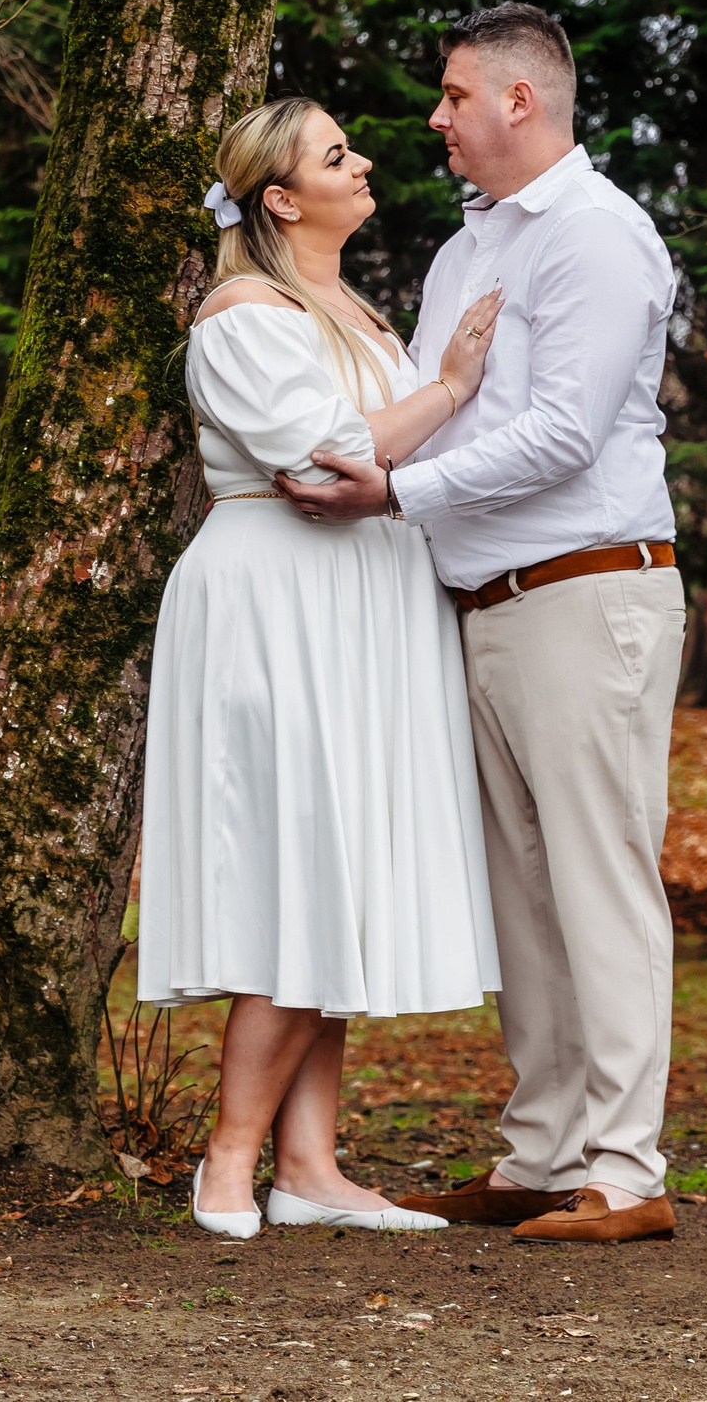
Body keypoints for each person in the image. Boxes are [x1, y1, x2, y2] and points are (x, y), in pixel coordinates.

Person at [282, 4, 684, 1246]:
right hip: (485, 605)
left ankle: (626, 1171)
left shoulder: (599, 237)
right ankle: (543, 1154)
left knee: (601, 881)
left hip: (585, 586)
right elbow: (431, 401)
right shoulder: (467, 252)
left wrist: (397, 491)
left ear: (520, 101)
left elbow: (565, 435)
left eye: (455, 96)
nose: (436, 119)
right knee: (525, 894)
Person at [138, 96, 506, 1240]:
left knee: (336, 877)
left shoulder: (341, 305)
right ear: (282, 198)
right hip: (279, 602)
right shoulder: (242, 315)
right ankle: (228, 1161)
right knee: (307, 868)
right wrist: (447, 387)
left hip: (360, 598)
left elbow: (378, 459)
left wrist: (419, 405)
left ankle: (309, 1164)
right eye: (335, 154)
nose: (363, 162)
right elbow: (331, 457)